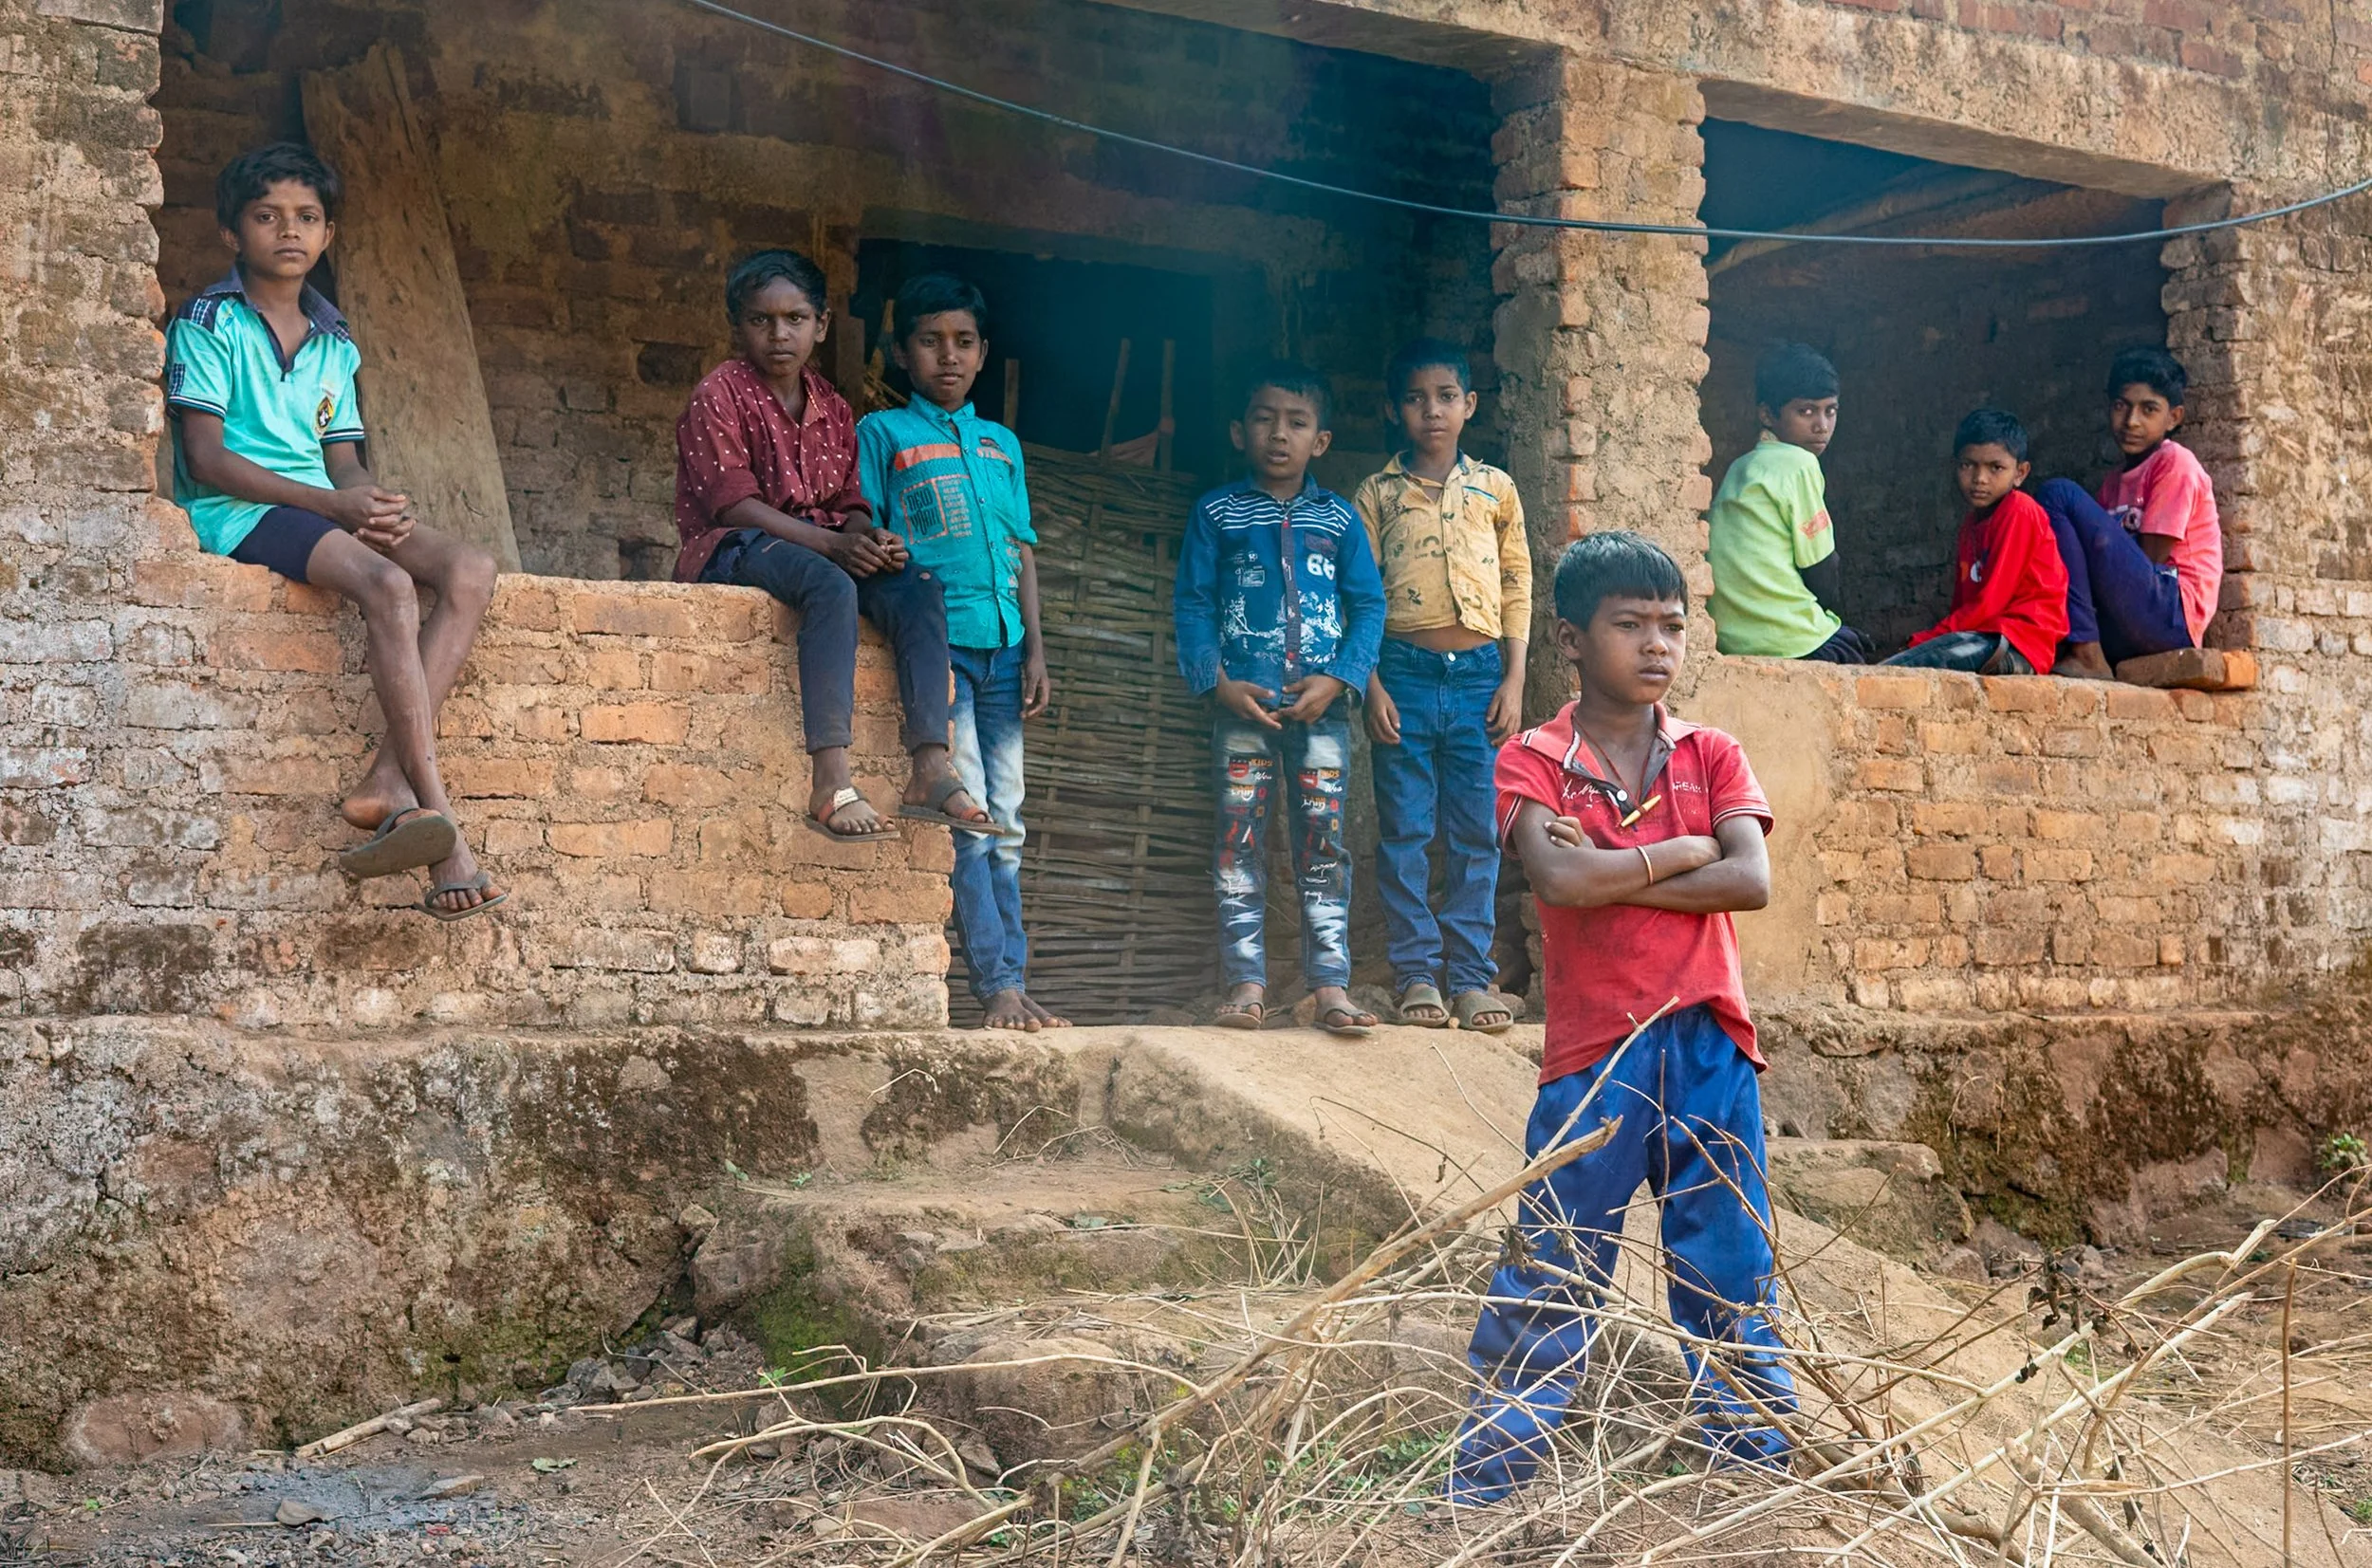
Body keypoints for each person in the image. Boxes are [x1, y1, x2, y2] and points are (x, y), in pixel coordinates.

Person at [1450, 531, 1796, 1503]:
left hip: (1708, 1040)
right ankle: (1490, 1476)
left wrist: (1620, 868)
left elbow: (1751, 879)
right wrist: (1685, 853)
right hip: (1596, 1051)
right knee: (1553, 1263)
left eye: (1672, 627)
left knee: (1726, 1257)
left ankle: (1753, 1462)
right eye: (1629, 624)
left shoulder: (1712, 752)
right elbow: (1556, 878)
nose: (1656, 645)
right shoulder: (1535, 758)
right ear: (1570, 639)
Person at [166, 143, 504, 919]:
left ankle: (385, 781)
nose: (289, 231)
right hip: (239, 512)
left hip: (320, 505)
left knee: (469, 569)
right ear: (231, 233)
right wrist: (335, 509)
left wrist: (372, 500)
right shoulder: (209, 321)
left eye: (307, 218)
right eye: (266, 216)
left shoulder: (334, 337)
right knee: (386, 584)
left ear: (328, 233)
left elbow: (341, 461)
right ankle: (442, 827)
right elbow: (206, 459)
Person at [675, 249, 999, 853]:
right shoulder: (719, 393)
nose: (779, 335)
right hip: (734, 546)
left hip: (819, 544)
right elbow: (733, 506)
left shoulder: (833, 405)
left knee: (920, 585)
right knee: (832, 585)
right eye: (761, 321)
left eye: (796, 319)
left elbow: (849, 498)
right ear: (737, 325)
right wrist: (833, 546)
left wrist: (864, 536)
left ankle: (930, 766)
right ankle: (830, 781)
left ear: (821, 324)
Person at [858, 272, 1066, 1034]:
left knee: (1007, 814)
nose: (948, 356)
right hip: (941, 652)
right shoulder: (883, 435)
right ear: (901, 351)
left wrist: (1037, 647)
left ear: (983, 354)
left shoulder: (1001, 444)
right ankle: (997, 983)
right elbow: (868, 536)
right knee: (971, 813)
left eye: (965, 342)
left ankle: (1012, 975)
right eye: (930, 341)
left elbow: (1021, 552)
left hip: (1007, 652)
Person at [1174, 363, 1385, 1038]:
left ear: (1320, 440)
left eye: (1297, 422)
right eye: (1264, 418)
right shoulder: (1218, 513)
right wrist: (1218, 683)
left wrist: (1340, 679)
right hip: (1244, 710)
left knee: (1324, 843)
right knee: (1239, 841)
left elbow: (1370, 605)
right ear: (1240, 431)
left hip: (1323, 712)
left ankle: (1330, 985)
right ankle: (1247, 983)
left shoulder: (1339, 517)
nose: (1279, 434)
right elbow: (1194, 602)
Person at [1352, 339, 1527, 1034]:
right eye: (1418, 398)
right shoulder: (1378, 493)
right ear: (1397, 410)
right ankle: (1417, 972)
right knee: (1406, 830)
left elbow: (1518, 586)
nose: (1433, 411)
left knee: (1476, 833)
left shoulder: (1495, 490)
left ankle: (1472, 978)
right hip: (1403, 675)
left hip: (1481, 676)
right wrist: (1368, 684)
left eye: (1447, 396)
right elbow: (1358, 594)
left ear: (1469, 405)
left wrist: (1514, 677)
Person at [2037, 348, 2223, 678]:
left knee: (2058, 494)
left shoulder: (2175, 462)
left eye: (2149, 409)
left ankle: (2087, 654)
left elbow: (2151, 556)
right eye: (2121, 406)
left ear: (2174, 417)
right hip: (2129, 619)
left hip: (2171, 615)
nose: (2131, 421)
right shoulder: (2113, 482)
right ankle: (2077, 647)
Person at [1707, 343, 1872, 663]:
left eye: (1831, 410)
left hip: (1732, 638)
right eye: (1806, 411)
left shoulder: (1741, 467)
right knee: (1853, 651)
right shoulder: (1799, 463)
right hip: (1787, 638)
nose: (1822, 425)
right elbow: (1822, 568)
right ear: (1767, 414)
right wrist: (1830, 618)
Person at [1881, 409, 2068, 674]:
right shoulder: (1970, 526)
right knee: (1916, 660)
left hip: (2016, 644)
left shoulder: (2019, 511)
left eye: (1996, 468)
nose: (1980, 479)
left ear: (2020, 473)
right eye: (1968, 465)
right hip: (1981, 636)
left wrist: (1923, 640)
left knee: (1919, 664)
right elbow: (1964, 606)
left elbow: (1989, 604)